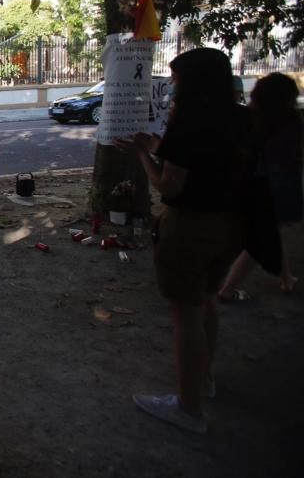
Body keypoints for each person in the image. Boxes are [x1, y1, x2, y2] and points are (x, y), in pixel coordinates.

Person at [114, 47, 250, 434]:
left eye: (175, 81)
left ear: (192, 83)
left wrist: (143, 155)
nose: (171, 88)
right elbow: (208, 162)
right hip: (230, 225)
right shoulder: (240, 119)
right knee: (207, 300)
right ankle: (203, 381)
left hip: (190, 227)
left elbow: (168, 183)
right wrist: (157, 146)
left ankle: (187, 407)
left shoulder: (189, 121)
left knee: (185, 315)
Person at [218, 72, 301, 299]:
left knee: (270, 232)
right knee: (262, 237)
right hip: (275, 187)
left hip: (262, 184)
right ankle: (228, 288)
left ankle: (285, 277)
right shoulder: (287, 123)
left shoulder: (255, 120)